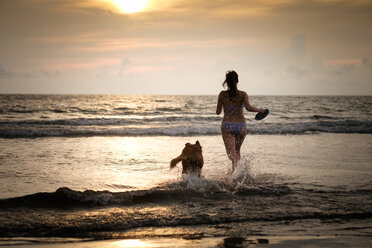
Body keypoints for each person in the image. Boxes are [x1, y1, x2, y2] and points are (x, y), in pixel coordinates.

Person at [216, 70, 265, 172]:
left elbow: (218, 112)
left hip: (227, 126)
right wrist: (261, 110)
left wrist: (225, 104)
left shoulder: (222, 94)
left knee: (232, 156)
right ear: (237, 81)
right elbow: (248, 108)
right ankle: (238, 174)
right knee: (237, 152)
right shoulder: (243, 94)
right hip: (241, 126)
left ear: (226, 82)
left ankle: (235, 174)